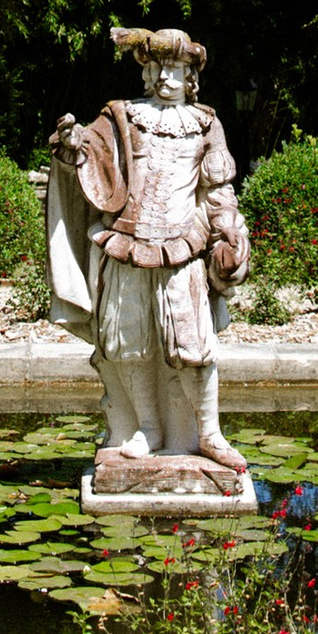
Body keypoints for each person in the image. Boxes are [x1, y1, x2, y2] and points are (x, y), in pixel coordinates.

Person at [47, 25, 250, 470]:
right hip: (128, 242)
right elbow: (90, 156)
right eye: (157, 68)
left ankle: (209, 435)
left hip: (184, 247)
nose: (165, 78)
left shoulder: (207, 123)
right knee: (129, 343)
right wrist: (72, 145)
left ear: (191, 76)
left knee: (195, 346)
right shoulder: (122, 116)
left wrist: (230, 233)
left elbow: (218, 189)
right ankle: (148, 427)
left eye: (175, 70)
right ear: (146, 72)